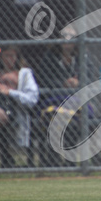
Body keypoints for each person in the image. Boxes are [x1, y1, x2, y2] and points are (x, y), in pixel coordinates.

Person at [36, 26, 93, 166]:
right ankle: (54, 158)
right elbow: (43, 79)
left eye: (71, 37)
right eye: (64, 36)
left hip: (76, 102)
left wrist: (78, 82)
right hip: (55, 100)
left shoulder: (82, 56)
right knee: (56, 117)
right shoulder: (49, 58)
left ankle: (68, 159)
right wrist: (62, 83)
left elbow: (90, 77)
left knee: (72, 122)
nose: (67, 40)